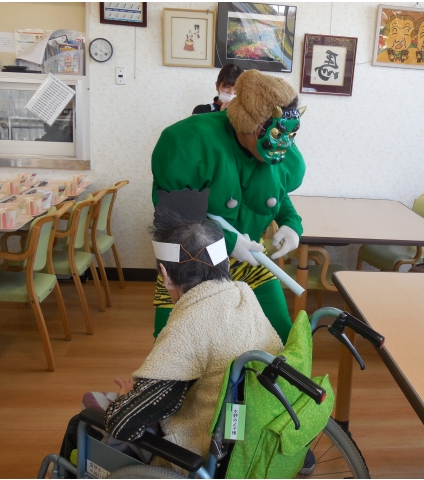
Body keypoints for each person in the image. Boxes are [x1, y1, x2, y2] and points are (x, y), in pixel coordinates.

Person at [58, 212, 284, 474]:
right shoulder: (244, 295)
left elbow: (123, 423)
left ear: (165, 275)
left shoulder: (187, 326)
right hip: (249, 436)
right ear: (225, 264)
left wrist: (125, 400)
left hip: (200, 452)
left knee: (81, 422)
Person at [152, 69, 306, 343]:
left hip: (249, 258)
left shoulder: (281, 151)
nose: (284, 147)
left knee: (281, 336)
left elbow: (276, 191)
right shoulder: (191, 141)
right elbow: (174, 215)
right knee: (173, 343)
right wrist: (229, 241)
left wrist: (291, 222)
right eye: (275, 134)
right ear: (247, 124)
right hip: (190, 261)